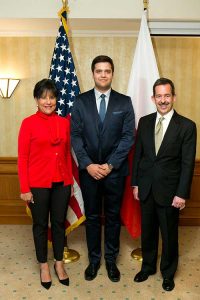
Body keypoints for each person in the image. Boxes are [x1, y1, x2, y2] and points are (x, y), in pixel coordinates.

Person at [71, 55, 135, 282]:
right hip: (88, 173)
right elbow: (76, 137)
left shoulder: (124, 102)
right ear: (93, 74)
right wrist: (88, 164)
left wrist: (109, 165)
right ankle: (94, 260)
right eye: (99, 71)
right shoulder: (80, 101)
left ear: (112, 73)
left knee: (113, 217)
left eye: (107, 71)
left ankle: (110, 260)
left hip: (114, 173)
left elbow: (128, 138)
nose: (103, 74)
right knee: (93, 218)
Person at [131, 77, 197, 291]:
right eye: (158, 96)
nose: (163, 100)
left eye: (167, 95)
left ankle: (168, 273)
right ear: (153, 98)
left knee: (169, 235)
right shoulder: (145, 121)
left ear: (174, 97)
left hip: (170, 192)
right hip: (146, 188)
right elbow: (138, 156)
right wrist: (136, 184)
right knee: (148, 232)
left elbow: (187, 164)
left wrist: (181, 194)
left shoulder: (187, 126)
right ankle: (148, 267)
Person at [18, 79, 73, 289]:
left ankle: (59, 263)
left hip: (62, 183)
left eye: (51, 97)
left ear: (56, 99)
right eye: (43, 97)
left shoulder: (64, 123)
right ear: (36, 99)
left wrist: (68, 181)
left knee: (59, 224)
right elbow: (22, 158)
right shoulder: (28, 123)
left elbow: (67, 155)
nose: (48, 101)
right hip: (37, 184)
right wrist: (25, 188)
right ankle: (44, 265)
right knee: (40, 225)